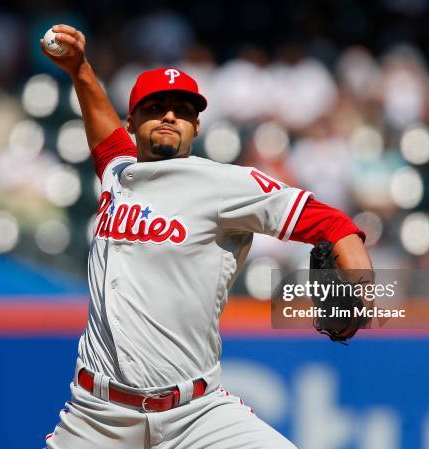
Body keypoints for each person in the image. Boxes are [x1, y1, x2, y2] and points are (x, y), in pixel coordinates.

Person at [40, 24, 373, 449]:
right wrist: (80, 70)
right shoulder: (117, 173)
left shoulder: (225, 185)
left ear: (197, 126)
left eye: (181, 109)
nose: (169, 116)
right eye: (156, 106)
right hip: (97, 417)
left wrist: (363, 285)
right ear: (132, 120)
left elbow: (333, 224)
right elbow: (104, 137)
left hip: (195, 415)